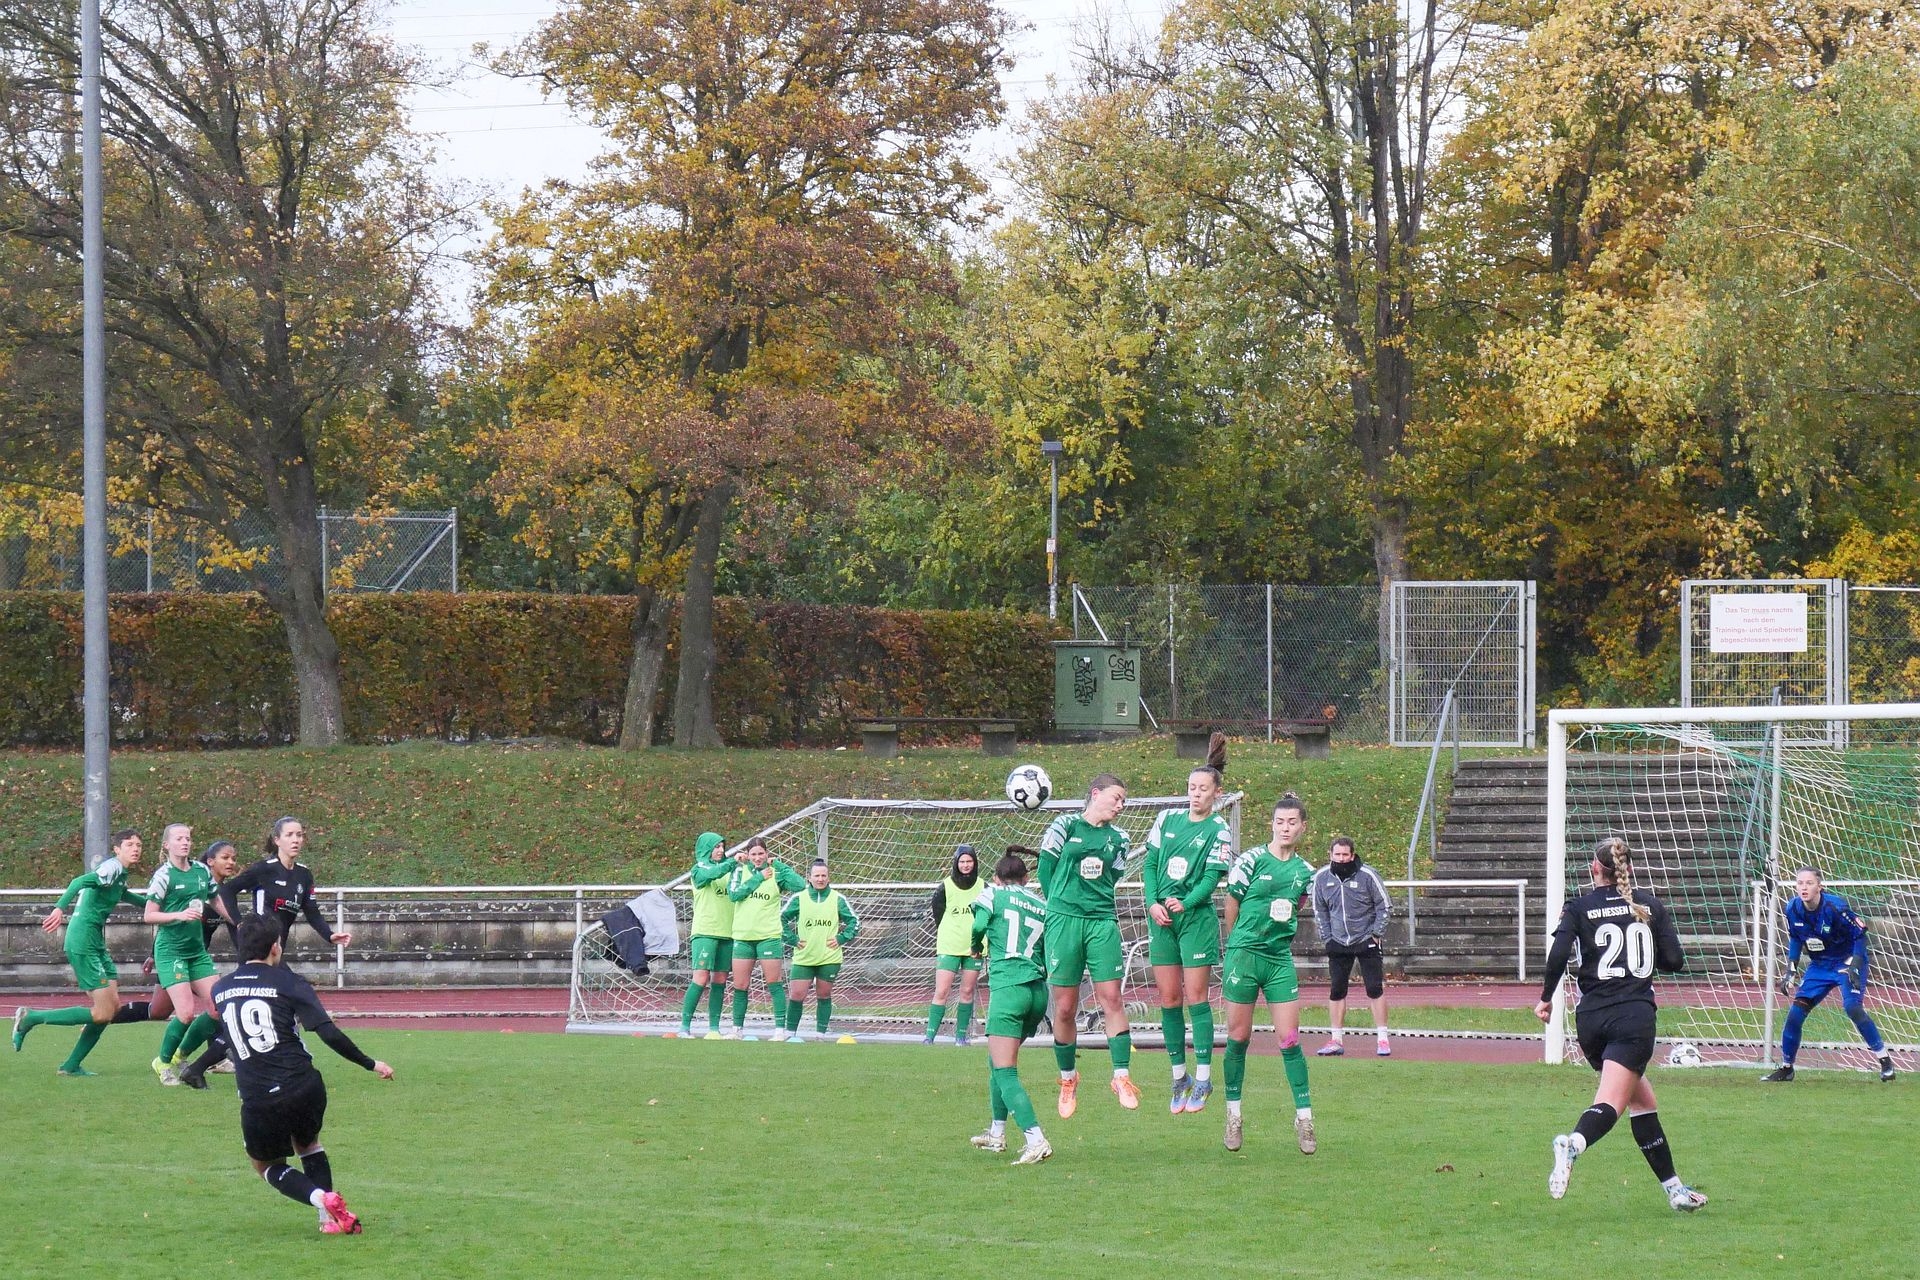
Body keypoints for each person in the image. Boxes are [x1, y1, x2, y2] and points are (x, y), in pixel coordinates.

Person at [1534, 836, 1707, 1212]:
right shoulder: (1649, 905)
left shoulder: (1578, 907)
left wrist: (1546, 998)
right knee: (1611, 1102)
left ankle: (1675, 1190)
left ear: (1594, 869)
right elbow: (1675, 961)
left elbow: (1559, 954)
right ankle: (1573, 1144)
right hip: (1633, 1018)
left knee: (1642, 1101)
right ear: (1627, 869)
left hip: (1591, 1020)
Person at [213, 913, 393, 1234]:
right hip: (304, 1086)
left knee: (266, 1166)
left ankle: (321, 1199)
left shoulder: (220, 988)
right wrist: (370, 1063)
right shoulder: (290, 983)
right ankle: (329, 1221)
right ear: (275, 947)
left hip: (259, 1096)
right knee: (308, 1144)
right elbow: (328, 1032)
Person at [1220, 792, 1318, 1154]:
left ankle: (1304, 1118)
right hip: (1244, 957)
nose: (1285, 828)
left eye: (1292, 822)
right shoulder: (1250, 860)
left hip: (1278, 960)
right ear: (1272, 825)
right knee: (1238, 1037)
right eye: (1279, 822)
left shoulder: (1306, 872)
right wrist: (1238, 943)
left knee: (1290, 1039)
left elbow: (1298, 906)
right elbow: (1232, 902)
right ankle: (1233, 1114)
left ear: (1303, 827)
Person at [12, 829, 154, 1076]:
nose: (136, 849)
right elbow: (78, 882)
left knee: (112, 1008)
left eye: (139, 845)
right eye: (130, 844)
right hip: (83, 941)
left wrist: (163, 905)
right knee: (102, 1012)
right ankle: (31, 1018)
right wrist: (59, 908)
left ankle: (70, 1066)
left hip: (95, 942)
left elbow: (130, 897)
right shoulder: (111, 868)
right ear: (117, 849)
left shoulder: (120, 875)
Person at [1142, 740, 1234, 1114]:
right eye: (1192, 788)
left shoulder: (1219, 828)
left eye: (1203, 789)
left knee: (1197, 997)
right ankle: (1179, 1077)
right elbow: (1150, 865)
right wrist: (1152, 903)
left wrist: (1187, 902)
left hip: (1194, 919)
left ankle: (1204, 1078)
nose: (1195, 794)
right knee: (1168, 998)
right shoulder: (1166, 819)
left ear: (1216, 793)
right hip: (1162, 918)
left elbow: (1212, 877)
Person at [1039, 772, 1139, 1114]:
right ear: (1096, 793)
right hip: (1063, 921)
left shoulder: (1120, 838)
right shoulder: (1064, 825)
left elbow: (1113, 876)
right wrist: (1060, 906)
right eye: (1116, 797)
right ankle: (1068, 1078)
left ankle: (1121, 1076)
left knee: (1112, 997)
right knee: (1065, 1007)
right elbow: (1045, 870)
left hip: (1101, 922)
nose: (1120, 805)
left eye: (1123, 800)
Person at [1761, 866, 1896, 1083]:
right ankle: (1787, 1068)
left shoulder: (1835, 907)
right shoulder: (1793, 908)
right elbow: (1795, 938)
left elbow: (1860, 934)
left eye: (1809, 883)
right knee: (1795, 1013)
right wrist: (1790, 971)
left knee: (1852, 1008)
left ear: (1820, 887)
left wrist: (1855, 965)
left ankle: (1885, 1060)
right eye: (1800, 883)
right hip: (1820, 966)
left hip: (1847, 961)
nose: (1804, 887)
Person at [967, 849, 1053, 1165]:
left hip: (1009, 988)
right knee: (996, 1061)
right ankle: (996, 1133)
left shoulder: (992, 894)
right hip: (1037, 991)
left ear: (996, 878)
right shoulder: (1042, 904)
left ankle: (1036, 1139)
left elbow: (978, 926)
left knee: (1006, 1070)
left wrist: (976, 948)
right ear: (1026, 878)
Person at [144, 822, 225, 1084]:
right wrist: (179, 915)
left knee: (218, 1007)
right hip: (171, 952)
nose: (185, 842)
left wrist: (236, 921)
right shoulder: (164, 875)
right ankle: (162, 1062)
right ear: (167, 845)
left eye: (188, 838)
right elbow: (149, 915)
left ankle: (180, 1055)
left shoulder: (201, 870)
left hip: (196, 951)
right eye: (179, 839)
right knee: (186, 1013)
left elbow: (215, 898)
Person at [216, 816, 353, 953]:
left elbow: (312, 912)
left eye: (299, 835)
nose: (295, 840)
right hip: (258, 948)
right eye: (289, 835)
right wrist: (239, 923)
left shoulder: (304, 874)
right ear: (277, 840)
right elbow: (226, 890)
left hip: (278, 950)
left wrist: (329, 935)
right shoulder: (264, 869)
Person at [1310, 836, 1393, 1058]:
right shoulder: (1321, 878)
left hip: (1366, 940)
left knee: (1374, 988)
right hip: (1337, 942)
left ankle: (1383, 1038)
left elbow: (1385, 906)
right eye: (1337, 854)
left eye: (1345, 855)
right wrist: (1327, 938)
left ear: (1352, 855)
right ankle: (1336, 1039)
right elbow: (1319, 909)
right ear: (1330, 855)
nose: (1341, 858)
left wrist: (1376, 934)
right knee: (1337, 990)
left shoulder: (1368, 875)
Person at [726, 836, 807, 1040]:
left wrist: (777, 864)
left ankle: (780, 1030)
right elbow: (734, 895)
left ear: (767, 854)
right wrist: (759, 878)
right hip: (743, 936)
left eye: (761, 853)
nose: (757, 858)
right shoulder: (739, 871)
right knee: (740, 985)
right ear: (747, 855)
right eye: (753, 854)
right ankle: (736, 1030)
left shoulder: (776, 873)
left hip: (768, 936)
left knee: (774, 983)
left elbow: (800, 885)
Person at [781, 859, 859, 1042]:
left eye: (824, 875)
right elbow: (780, 919)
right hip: (804, 956)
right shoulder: (799, 898)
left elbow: (854, 922)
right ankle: (790, 1033)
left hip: (829, 957)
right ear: (809, 877)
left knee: (823, 994)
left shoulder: (838, 899)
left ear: (828, 877)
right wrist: (792, 939)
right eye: (817, 875)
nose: (820, 879)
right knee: (796, 994)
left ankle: (820, 1035)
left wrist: (841, 938)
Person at [924, 845, 986, 1046]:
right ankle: (929, 1037)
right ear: (956, 863)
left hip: (975, 948)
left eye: (969, 861)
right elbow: (938, 914)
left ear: (975, 863)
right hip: (949, 945)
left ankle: (961, 1037)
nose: (966, 865)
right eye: (962, 861)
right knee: (941, 991)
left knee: (967, 991)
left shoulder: (984, 887)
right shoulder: (945, 887)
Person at [678, 832, 736, 1039]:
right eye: (716, 846)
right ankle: (684, 1027)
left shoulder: (730, 869)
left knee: (720, 980)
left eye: (722, 846)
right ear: (706, 849)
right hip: (705, 932)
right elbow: (709, 876)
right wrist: (731, 863)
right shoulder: (699, 869)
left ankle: (714, 1028)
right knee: (701, 978)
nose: (720, 850)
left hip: (728, 933)